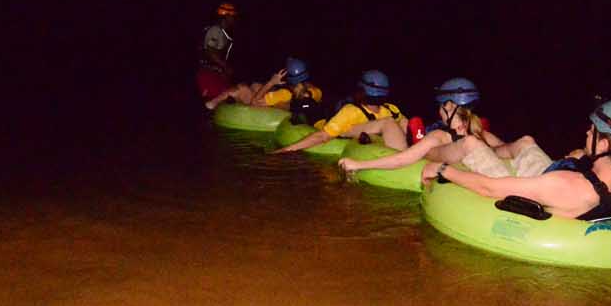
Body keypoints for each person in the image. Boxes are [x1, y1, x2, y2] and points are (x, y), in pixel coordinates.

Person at [425, 98, 611, 220]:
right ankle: (495, 147)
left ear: (604, 144)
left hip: (547, 191)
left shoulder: (567, 186)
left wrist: (444, 170)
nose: (587, 132)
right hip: (557, 181)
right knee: (527, 142)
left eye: (593, 130)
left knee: (473, 149)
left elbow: (488, 188)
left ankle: (458, 145)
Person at [338, 77, 504, 177]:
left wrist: (359, 165)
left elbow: (401, 159)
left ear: (449, 107)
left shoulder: (439, 136)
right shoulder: (484, 135)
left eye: (440, 107)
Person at [270, 69, 403, 154]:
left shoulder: (351, 111)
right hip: (327, 121)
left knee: (313, 108)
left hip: (332, 122)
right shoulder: (392, 109)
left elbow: (322, 136)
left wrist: (287, 149)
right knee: (310, 109)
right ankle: (300, 115)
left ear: (361, 90)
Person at [203, 57, 323, 111]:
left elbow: (254, 103)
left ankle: (212, 103)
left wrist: (271, 82)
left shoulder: (284, 94)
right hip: (285, 105)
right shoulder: (316, 91)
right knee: (256, 86)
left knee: (242, 88)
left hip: (269, 110)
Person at [196, 2, 237, 101]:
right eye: (233, 16)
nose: (235, 19)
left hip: (217, 75)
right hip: (209, 75)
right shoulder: (215, 31)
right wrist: (225, 67)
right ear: (226, 16)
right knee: (213, 103)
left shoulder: (224, 33)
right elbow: (210, 52)